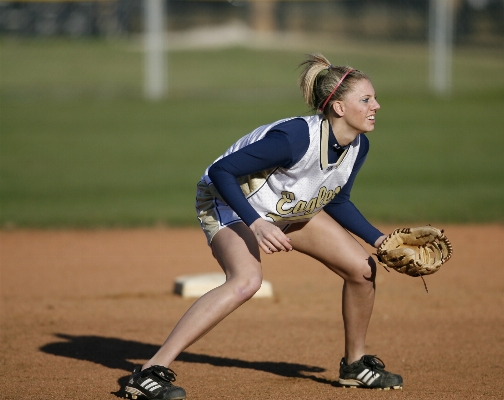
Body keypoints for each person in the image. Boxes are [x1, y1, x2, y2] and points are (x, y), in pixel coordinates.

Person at [124, 53, 403, 400]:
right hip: (229, 203)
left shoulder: (357, 145)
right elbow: (220, 172)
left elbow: (336, 199)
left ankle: (355, 365)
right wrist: (255, 224)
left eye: (373, 97)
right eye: (366, 99)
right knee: (246, 280)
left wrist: (381, 240)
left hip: (284, 207)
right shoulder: (294, 138)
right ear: (339, 108)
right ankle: (149, 371)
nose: (376, 105)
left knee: (362, 269)